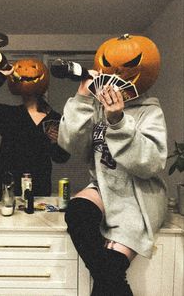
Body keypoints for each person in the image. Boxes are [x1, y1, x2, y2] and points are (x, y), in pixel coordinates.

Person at [58, 36, 168, 295]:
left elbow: (150, 165)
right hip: (103, 186)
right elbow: (70, 145)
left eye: (127, 64)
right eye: (108, 65)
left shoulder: (150, 112)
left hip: (138, 196)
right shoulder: (95, 107)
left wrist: (118, 121)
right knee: (77, 213)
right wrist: (83, 99)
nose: (116, 72)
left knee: (108, 270)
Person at [0, 58, 70, 202]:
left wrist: (55, 142)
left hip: (39, 192)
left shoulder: (55, 119)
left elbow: (61, 158)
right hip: (8, 190)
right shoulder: (9, 115)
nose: (25, 72)